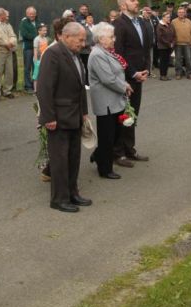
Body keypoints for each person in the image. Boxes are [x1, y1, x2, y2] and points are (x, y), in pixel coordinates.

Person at [37, 22, 91, 213]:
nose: (83, 44)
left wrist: (84, 111)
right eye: (80, 39)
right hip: (58, 117)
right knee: (60, 160)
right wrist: (48, 117)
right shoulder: (53, 54)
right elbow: (44, 88)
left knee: (74, 157)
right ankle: (59, 199)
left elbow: (81, 86)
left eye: (84, 40)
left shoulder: (75, 56)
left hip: (75, 115)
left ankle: (72, 193)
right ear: (66, 36)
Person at [88, 22, 133, 179]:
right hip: (106, 101)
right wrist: (125, 86)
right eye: (111, 36)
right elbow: (108, 79)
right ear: (101, 39)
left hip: (114, 100)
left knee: (114, 135)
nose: (114, 39)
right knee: (107, 136)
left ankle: (99, 155)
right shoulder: (97, 54)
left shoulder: (107, 52)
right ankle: (105, 169)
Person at [113, 0, 150, 167]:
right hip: (126, 78)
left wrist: (146, 69)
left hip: (139, 75)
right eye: (133, 0)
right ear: (123, 6)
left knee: (133, 113)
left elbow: (145, 48)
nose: (137, 2)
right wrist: (133, 73)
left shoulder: (141, 22)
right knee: (123, 114)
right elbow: (118, 54)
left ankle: (130, 149)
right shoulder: (119, 24)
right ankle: (118, 153)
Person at [0, 8, 17, 100]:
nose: (7, 16)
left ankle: (7, 91)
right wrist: (7, 44)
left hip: (8, 51)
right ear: (0, 15)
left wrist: (12, 42)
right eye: (5, 15)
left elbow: (13, 35)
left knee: (9, 71)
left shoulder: (7, 25)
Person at [171, 6, 191, 80]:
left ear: (185, 13)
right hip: (177, 43)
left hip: (187, 43)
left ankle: (189, 73)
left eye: (182, 12)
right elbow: (171, 32)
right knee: (178, 60)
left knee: (188, 59)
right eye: (179, 12)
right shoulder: (173, 21)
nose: (181, 14)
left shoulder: (189, 21)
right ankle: (178, 73)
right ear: (177, 13)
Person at [19, 6, 38, 93]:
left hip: (37, 49)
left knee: (36, 67)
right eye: (30, 14)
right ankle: (28, 86)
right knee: (27, 67)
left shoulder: (38, 22)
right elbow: (24, 34)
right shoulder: (24, 23)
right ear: (27, 14)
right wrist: (36, 37)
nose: (32, 15)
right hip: (28, 48)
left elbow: (43, 31)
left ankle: (35, 85)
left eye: (33, 14)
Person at [156, 11, 175, 81]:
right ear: (163, 18)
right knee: (163, 61)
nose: (168, 18)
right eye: (167, 17)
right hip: (162, 47)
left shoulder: (170, 25)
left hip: (169, 46)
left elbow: (173, 34)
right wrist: (169, 44)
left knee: (167, 61)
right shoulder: (160, 26)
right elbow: (160, 37)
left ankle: (165, 75)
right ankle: (162, 75)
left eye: (169, 17)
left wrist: (173, 42)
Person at [33, 23, 50, 91]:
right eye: (43, 30)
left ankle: (42, 88)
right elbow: (35, 50)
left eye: (46, 30)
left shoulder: (46, 39)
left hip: (44, 59)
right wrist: (36, 60)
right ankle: (36, 90)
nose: (45, 32)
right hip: (38, 59)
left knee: (44, 74)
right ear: (39, 31)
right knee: (36, 75)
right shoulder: (36, 39)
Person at [79, 13, 94, 87]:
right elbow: (83, 39)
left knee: (93, 67)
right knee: (86, 67)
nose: (90, 19)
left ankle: (92, 81)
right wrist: (89, 45)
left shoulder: (95, 27)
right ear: (85, 20)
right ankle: (86, 83)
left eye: (91, 17)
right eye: (89, 17)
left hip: (94, 50)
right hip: (85, 51)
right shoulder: (83, 28)